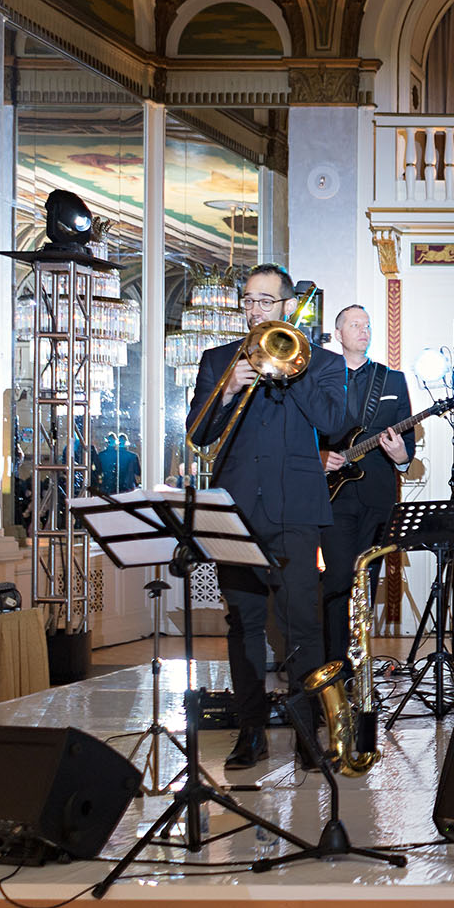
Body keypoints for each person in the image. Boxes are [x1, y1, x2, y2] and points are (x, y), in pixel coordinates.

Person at [187, 264, 347, 771]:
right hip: (237, 513)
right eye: (249, 301)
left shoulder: (319, 363)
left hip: (296, 513)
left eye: (265, 301)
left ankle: (307, 731)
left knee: (303, 622)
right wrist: (230, 388)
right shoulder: (218, 360)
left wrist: (291, 372)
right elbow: (198, 433)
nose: (255, 310)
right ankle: (250, 730)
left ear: (286, 307)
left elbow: (336, 424)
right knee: (244, 625)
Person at [320, 304, 414, 671]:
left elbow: (409, 445)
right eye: (355, 324)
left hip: (377, 497)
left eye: (368, 324)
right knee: (337, 581)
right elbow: (306, 434)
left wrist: (401, 455)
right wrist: (320, 456)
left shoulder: (391, 380)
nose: (364, 330)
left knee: (366, 582)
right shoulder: (320, 377)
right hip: (333, 495)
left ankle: (359, 664)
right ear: (339, 333)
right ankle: (333, 667)